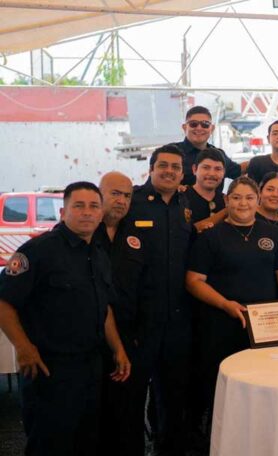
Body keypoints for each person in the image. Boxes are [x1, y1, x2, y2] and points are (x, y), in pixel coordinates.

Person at [0, 181, 130, 456]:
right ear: (62, 212)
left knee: (85, 441)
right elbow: (4, 302)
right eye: (78, 206)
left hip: (91, 366)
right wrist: (24, 349)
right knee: (50, 443)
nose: (87, 212)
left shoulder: (97, 254)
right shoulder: (38, 251)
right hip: (50, 369)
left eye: (94, 206)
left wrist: (117, 348)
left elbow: (104, 307)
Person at [186, 176, 278, 443]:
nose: (243, 203)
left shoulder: (273, 233)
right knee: (222, 392)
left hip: (266, 328)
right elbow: (194, 281)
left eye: (249, 197)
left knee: (265, 389)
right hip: (220, 325)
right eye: (237, 197)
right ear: (227, 200)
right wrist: (225, 304)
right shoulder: (211, 237)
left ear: (258, 201)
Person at [127, 145, 194, 455]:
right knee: (130, 397)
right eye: (163, 165)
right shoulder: (132, 203)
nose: (169, 171)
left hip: (177, 321)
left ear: (183, 173)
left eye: (175, 167)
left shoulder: (185, 205)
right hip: (140, 321)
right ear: (151, 169)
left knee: (174, 396)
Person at [95, 172, 151, 456]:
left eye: (127, 195)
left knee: (129, 415)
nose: (121, 200)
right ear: (100, 194)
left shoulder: (137, 233)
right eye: (115, 193)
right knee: (94, 417)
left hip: (130, 339)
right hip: (90, 343)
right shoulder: (82, 231)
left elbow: (146, 287)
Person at [166, 105, 244, 188]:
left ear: (212, 128)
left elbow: (239, 171)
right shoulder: (170, 152)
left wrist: (257, 161)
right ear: (185, 127)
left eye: (205, 124)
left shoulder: (219, 154)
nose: (199, 128)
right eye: (193, 124)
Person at [186, 148, 227, 232]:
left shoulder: (226, 200)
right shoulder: (180, 198)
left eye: (218, 169)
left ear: (224, 173)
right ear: (194, 169)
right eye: (206, 167)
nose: (212, 174)